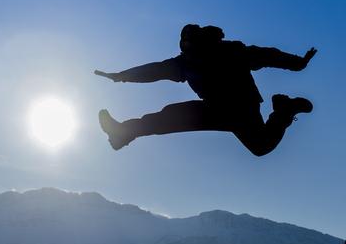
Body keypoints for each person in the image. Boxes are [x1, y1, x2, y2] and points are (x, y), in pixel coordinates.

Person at [94, 24, 317, 156]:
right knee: (170, 117)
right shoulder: (185, 62)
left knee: (260, 146)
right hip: (223, 109)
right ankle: (122, 133)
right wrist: (122, 76)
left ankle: (285, 110)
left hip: (238, 109)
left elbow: (267, 55)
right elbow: (154, 71)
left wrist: (297, 63)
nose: (187, 50)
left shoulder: (229, 52)